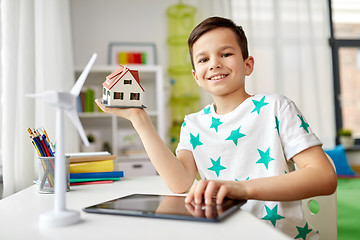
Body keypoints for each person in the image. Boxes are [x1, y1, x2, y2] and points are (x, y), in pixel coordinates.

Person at [96, 16, 337, 239]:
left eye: (226, 54)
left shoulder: (276, 107)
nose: (214, 64)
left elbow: (324, 177)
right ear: (196, 76)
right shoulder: (193, 123)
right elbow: (179, 183)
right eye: (203, 59)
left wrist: (242, 189)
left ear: (248, 64)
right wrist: (140, 119)